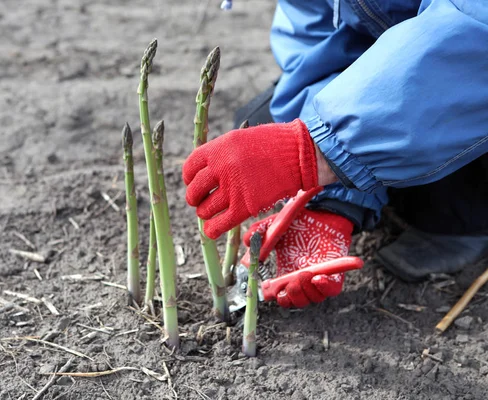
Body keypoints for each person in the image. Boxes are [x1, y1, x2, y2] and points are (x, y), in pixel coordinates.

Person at [183, 0, 488, 308]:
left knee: (449, 199)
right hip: (409, 79)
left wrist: (315, 152)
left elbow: (475, 36)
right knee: (260, 116)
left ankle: (463, 223)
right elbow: (318, 43)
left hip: (468, 74)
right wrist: (329, 201)